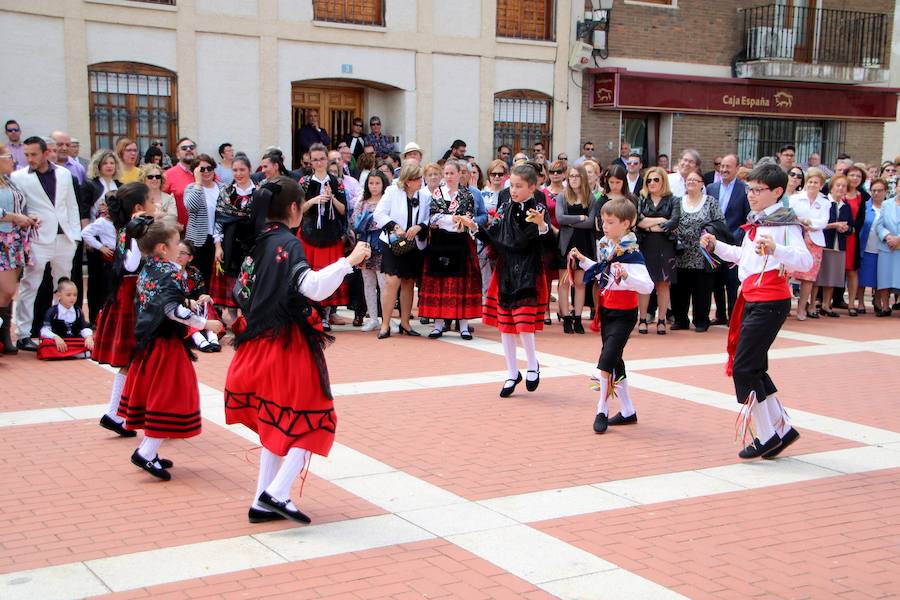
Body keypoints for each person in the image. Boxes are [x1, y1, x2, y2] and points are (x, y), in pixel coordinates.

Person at [224, 176, 371, 524]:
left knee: (276, 421)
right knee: (316, 420)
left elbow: (240, 294)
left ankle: (263, 499)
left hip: (257, 343)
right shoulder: (288, 243)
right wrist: (349, 260)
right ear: (293, 208)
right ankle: (276, 492)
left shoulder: (258, 241)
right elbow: (314, 287)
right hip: (287, 347)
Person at [700, 163, 812, 459]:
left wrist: (777, 249)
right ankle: (781, 429)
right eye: (749, 189)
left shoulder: (784, 224)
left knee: (745, 368)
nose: (751, 194)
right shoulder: (758, 222)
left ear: (777, 192)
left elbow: (805, 261)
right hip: (752, 296)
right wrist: (717, 246)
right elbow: (743, 258)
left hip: (770, 299)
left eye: (757, 189)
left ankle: (767, 435)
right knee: (754, 367)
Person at [118, 216, 222, 480]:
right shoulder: (172, 270)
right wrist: (204, 322)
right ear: (163, 247)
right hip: (165, 344)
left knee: (156, 394)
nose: (180, 247)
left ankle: (149, 451)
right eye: (177, 242)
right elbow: (171, 309)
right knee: (170, 397)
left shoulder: (146, 267)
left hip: (148, 341)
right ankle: (146, 451)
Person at [466, 164, 553, 396]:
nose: (513, 190)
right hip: (506, 271)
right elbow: (494, 237)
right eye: (511, 185)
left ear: (532, 187)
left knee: (523, 323)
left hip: (527, 270)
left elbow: (548, 246)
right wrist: (474, 227)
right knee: (506, 326)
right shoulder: (505, 207)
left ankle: (532, 364)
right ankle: (512, 372)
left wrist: (543, 226)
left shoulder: (538, 209)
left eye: (519, 186)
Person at [571, 199, 653, 433]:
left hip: (625, 313)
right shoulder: (608, 247)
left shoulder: (631, 254)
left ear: (626, 224)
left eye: (610, 222)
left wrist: (627, 275)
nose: (604, 226)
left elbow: (647, 286)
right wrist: (583, 260)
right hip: (606, 309)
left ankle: (601, 409)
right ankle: (628, 411)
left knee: (607, 358)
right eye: (603, 221)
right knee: (615, 359)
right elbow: (601, 273)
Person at [94, 183, 157, 437]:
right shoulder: (132, 230)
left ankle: (116, 413)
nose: (156, 203)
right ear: (139, 208)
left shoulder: (128, 228)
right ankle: (120, 413)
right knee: (136, 358)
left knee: (135, 360)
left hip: (130, 293)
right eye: (151, 199)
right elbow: (131, 264)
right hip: (132, 294)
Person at [11, 136, 81, 351]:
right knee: (30, 285)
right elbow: (18, 207)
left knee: (63, 286)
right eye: (27, 155)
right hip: (38, 238)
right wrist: (28, 216)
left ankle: (60, 329)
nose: (30, 158)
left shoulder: (64, 173)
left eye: (34, 154)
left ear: (45, 153)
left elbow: (71, 206)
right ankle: (23, 334)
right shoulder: (18, 177)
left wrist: (76, 235)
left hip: (65, 238)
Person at [420, 159, 481, 339]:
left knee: (461, 283)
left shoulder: (466, 194)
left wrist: (450, 219)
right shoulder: (437, 193)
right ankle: (438, 325)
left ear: (459, 174)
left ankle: (463, 326)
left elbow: (467, 218)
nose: (448, 177)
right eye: (445, 174)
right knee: (439, 281)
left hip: (460, 242)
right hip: (439, 242)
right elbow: (432, 218)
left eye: (452, 173)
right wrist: (452, 218)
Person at [297, 143, 348, 330]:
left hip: (330, 235)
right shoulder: (304, 182)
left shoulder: (336, 182)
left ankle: (325, 316)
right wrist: (314, 200)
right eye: (315, 159)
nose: (319, 162)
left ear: (327, 160)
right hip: (310, 235)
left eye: (322, 159)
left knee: (328, 274)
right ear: (310, 161)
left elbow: (343, 210)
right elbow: (298, 209)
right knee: (309, 274)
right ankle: (310, 313)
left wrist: (331, 197)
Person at [374, 163, 428, 338]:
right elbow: (379, 214)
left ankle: (405, 323)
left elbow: (428, 218)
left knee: (408, 282)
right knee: (391, 282)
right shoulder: (392, 191)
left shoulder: (425, 195)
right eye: (418, 179)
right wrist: (395, 226)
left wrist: (419, 227)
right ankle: (385, 324)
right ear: (407, 181)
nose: (421, 181)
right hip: (393, 242)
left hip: (414, 244)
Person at [671, 171, 726, 332]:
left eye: (695, 180)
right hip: (681, 254)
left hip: (703, 255)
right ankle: (680, 319)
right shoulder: (678, 201)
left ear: (702, 183)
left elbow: (720, 223)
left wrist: (708, 233)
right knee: (679, 289)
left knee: (702, 289)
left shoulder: (710, 202)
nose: (691, 182)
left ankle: (701, 319)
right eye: (689, 180)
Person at [210, 155, 256, 324]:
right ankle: (233, 320)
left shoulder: (258, 193)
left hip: (252, 244)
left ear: (250, 170)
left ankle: (248, 320)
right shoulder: (226, 192)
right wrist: (218, 247)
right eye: (235, 170)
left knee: (249, 280)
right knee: (230, 280)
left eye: (242, 170)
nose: (238, 173)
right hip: (230, 243)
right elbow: (219, 222)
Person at [707, 154, 751, 325]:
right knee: (716, 282)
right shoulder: (711, 188)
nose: (724, 169)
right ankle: (720, 315)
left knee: (732, 282)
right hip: (715, 242)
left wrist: (738, 237)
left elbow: (748, 218)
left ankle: (734, 316)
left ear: (737, 168)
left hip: (734, 241)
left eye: (728, 166)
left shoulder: (745, 189)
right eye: (722, 166)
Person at [635, 166, 679, 335]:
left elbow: (673, 223)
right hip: (646, 245)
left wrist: (651, 224)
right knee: (645, 283)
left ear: (663, 181)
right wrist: (661, 220)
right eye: (648, 180)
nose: (651, 183)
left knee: (663, 283)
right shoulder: (642, 198)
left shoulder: (673, 200)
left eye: (656, 180)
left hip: (665, 246)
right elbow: (638, 221)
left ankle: (661, 320)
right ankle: (643, 319)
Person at [0, 143, 36, 353]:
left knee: (7, 292)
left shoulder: (10, 181)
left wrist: (29, 217)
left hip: (14, 239)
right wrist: (15, 217)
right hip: (2, 238)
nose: (12, 159)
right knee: (6, 289)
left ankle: (4, 333)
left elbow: (21, 205)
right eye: (7, 156)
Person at [557, 164, 598, 334]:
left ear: (582, 178)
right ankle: (566, 317)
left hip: (584, 243)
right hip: (566, 242)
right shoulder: (562, 196)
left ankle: (578, 318)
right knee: (565, 282)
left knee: (580, 283)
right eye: (571, 176)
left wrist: (572, 220)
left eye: (576, 176)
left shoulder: (591, 198)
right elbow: (560, 218)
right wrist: (580, 217)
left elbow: (590, 222)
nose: (573, 179)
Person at [788, 168, 830, 320]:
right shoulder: (795, 198)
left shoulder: (825, 203)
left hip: (814, 241)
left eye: (816, 182)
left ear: (821, 185)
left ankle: (801, 309)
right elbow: (790, 215)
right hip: (796, 237)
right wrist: (801, 221)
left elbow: (824, 221)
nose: (812, 185)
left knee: (808, 278)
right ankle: (786, 306)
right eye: (810, 181)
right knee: (788, 273)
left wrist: (809, 223)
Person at [351, 170, 388, 332]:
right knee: (368, 283)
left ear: (383, 184)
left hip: (382, 243)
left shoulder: (387, 201)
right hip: (365, 244)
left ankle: (386, 318)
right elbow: (354, 221)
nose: (374, 186)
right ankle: (373, 318)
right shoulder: (362, 202)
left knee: (384, 283)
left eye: (377, 183)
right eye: (371, 183)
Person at [183, 153, 223, 285]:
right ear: (195, 171)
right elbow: (192, 207)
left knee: (217, 278)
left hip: (219, 238)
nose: (206, 171)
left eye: (209, 168)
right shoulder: (191, 188)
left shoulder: (222, 188)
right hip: (198, 239)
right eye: (202, 169)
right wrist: (198, 183)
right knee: (199, 277)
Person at [175, 239, 221, 353]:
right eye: (176, 251)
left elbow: (202, 292)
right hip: (178, 310)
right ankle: (199, 339)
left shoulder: (194, 272)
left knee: (206, 301)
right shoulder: (168, 272)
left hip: (196, 308)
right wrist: (187, 302)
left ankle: (212, 337)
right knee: (185, 310)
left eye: (183, 253)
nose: (178, 255)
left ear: (190, 258)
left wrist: (205, 297)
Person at [817, 175, 852, 317]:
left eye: (844, 186)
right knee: (819, 275)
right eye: (838, 185)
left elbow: (852, 227)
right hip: (825, 242)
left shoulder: (846, 206)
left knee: (832, 275)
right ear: (831, 186)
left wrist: (846, 228)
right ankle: (814, 303)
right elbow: (818, 224)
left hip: (839, 244)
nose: (841, 188)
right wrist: (834, 225)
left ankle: (827, 304)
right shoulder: (825, 203)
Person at [36, 277, 93, 360]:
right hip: (58, 342)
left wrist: (88, 337)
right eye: (68, 295)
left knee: (92, 341)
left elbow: (83, 328)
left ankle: (67, 353)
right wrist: (56, 337)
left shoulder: (78, 311)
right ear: (59, 295)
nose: (72, 298)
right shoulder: (52, 311)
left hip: (74, 341)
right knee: (47, 344)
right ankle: (77, 353)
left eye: (75, 295)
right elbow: (44, 330)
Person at [80, 199, 117, 326]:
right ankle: (103, 321)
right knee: (107, 291)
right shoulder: (102, 222)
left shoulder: (123, 221)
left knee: (117, 290)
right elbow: (85, 233)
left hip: (121, 258)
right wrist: (101, 247)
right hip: (109, 258)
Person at [858, 177, 886, 313]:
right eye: (874, 190)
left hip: (883, 248)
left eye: (880, 190)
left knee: (880, 277)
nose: (876, 193)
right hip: (866, 246)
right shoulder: (865, 206)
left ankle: (878, 300)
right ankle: (861, 302)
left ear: (885, 192)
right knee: (862, 276)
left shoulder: (890, 207)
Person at [843, 164, 869, 316]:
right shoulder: (838, 191)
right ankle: (826, 302)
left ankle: (852, 303)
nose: (855, 178)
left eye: (858, 176)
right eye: (852, 175)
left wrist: (851, 228)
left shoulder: (863, 196)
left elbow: (861, 219)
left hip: (853, 237)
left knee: (852, 270)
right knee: (834, 269)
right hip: (837, 236)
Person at [875, 183, 900, 316]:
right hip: (887, 246)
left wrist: (898, 239)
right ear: (896, 187)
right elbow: (879, 225)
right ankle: (885, 306)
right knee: (885, 277)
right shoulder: (886, 204)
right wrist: (888, 236)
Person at [163, 138, 198, 227]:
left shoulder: (206, 172)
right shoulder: (167, 175)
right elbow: (160, 203)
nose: (189, 149)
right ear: (178, 154)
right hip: (180, 233)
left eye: (191, 147)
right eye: (184, 148)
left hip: (205, 231)